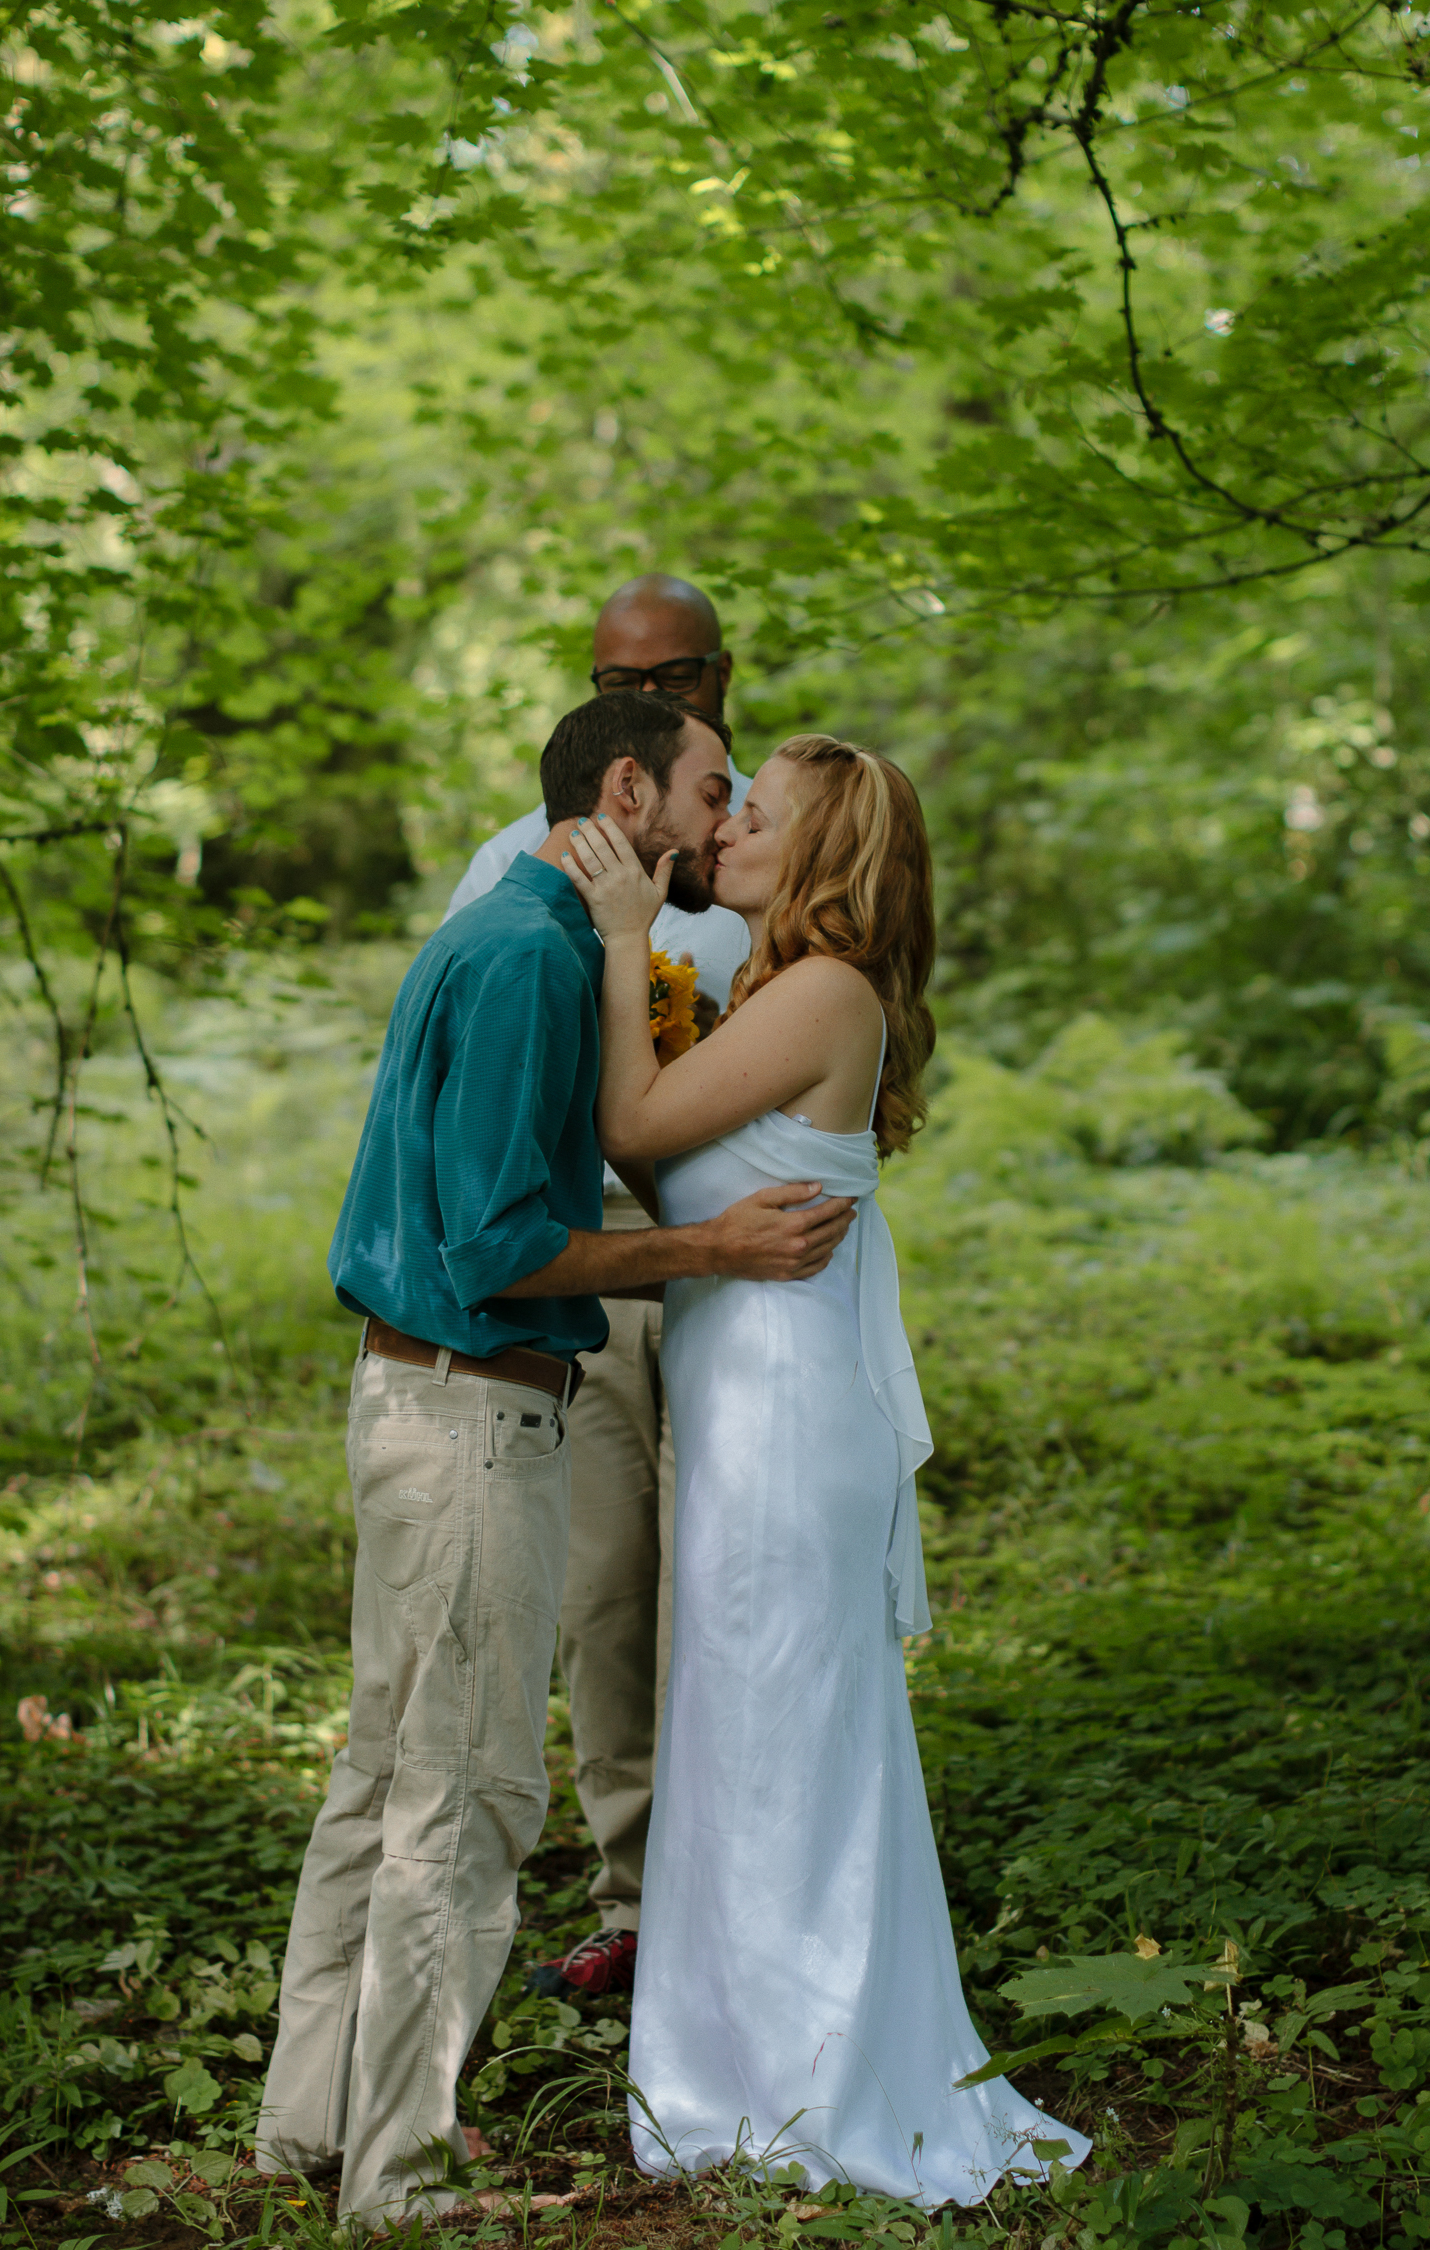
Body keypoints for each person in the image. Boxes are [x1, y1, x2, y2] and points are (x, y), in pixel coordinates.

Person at [254, 694, 857, 2231]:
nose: (726, 821)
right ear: (627, 785)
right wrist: (711, 1247)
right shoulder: (527, 958)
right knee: (466, 1795)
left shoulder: (514, 934)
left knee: (383, 1775)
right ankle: (397, 2176)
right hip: (469, 1418)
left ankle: (307, 2125)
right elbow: (502, 1242)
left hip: (420, 1401)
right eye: (714, 790)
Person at [562, 740, 1093, 2205]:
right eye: (731, 804)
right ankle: (755, 2059)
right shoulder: (775, 990)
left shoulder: (819, 991)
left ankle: (807, 2071)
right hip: (751, 1404)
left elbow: (634, 1131)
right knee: (749, 1726)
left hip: (786, 1421)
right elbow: (685, 1185)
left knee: (784, 1730)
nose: (727, 827)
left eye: (759, 815)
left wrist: (623, 942)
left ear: (821, 860)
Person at [444, 573, 750, 1992]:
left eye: (681, 674)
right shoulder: (522, 856)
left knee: (746, 1572)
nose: (656, 697)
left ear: (721, 675)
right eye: (623, 674)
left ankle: (755, 1868)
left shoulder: (761, 830)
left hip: (756, 1256)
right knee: (612, 1582)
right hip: (606, 1256)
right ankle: (638, 1891)